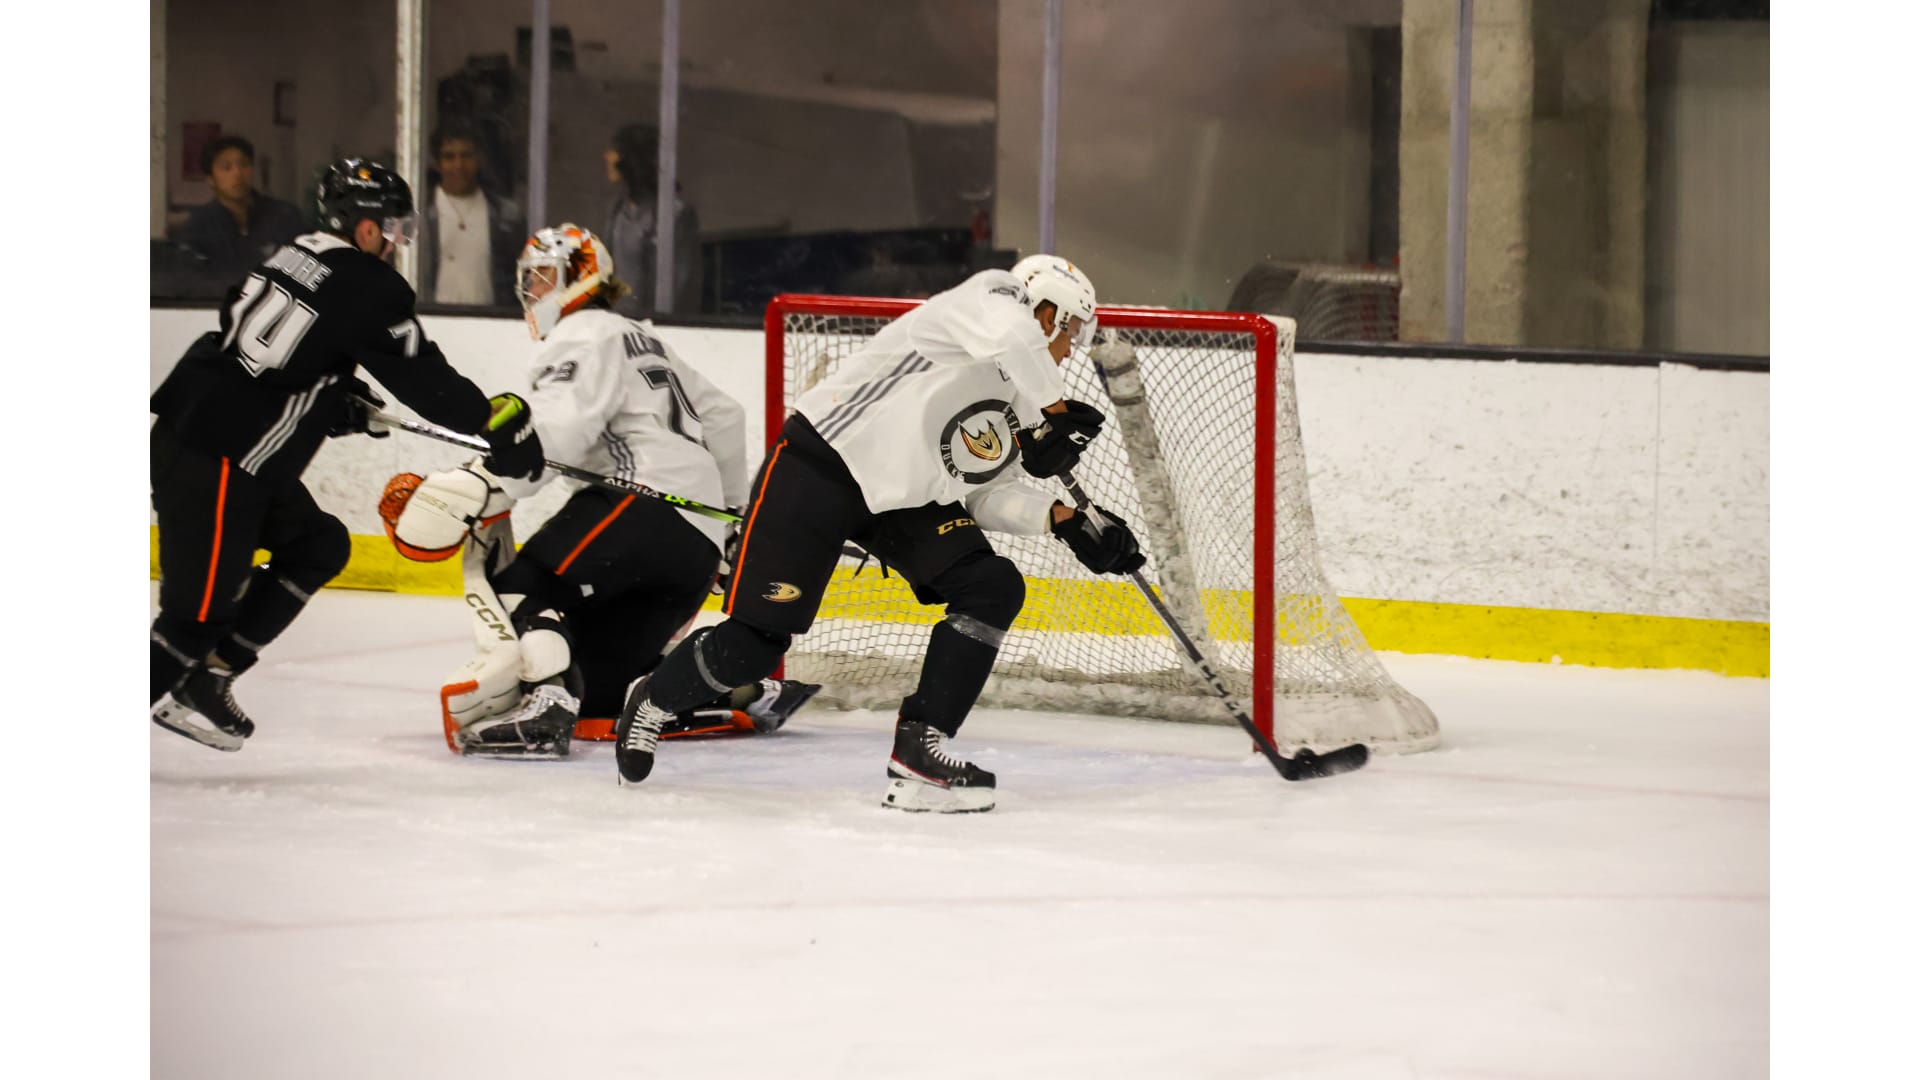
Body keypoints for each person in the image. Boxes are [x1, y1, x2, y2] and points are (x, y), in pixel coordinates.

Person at [614, 259, 1147, 812]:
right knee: (754, 647)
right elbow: (1015, 336)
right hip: (821, 466)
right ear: (1047, 310)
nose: (1071, 349)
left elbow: (986, 492)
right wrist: (1055, 412)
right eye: (1073, 331)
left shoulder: (1019, 397)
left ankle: (920, 750)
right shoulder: (994, 296)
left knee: (991, 585)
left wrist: (1062, 518)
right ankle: (652, 699)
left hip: (902, 503)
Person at [149, 159, 547, 752]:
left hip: (206, 433)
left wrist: (330, 395)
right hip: (222, 460)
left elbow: (247, 330)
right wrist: (494, 425)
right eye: (392, 227)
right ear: (363, 227)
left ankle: (211, 677)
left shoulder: (295, 252)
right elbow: (423, 379)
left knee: (319, 545)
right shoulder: (368, 281)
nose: (396, 241)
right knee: (192, 619)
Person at [380, 224, 818, 757]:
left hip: (641, 504)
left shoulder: (582, 330)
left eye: (543, 277)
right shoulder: (645, 338)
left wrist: (481, 484)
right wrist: (727, 521)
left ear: (581, 277)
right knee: (601, 700)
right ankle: (742, 690)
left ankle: (545, 703)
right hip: (694, 544)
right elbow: (727, 417)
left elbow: (556, 439)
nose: (533, 292)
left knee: (520, 583)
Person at [177, 134, 307, 294]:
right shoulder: (198, 227)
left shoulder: (285, 216)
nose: (238, 173)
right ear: (211, 179)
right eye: (226, 167)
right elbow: (192, 282)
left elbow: (305, 268)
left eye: (244, 164)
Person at [417, 122, 527, 306]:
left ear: (479, 159)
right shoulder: (420, 214)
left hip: (489, 324)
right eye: (449, 157)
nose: (458, 165)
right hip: (432, 322)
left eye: (466, 156)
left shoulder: (506, 215)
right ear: (437, 163)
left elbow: (520, 278)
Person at [604, 123, 701, 314]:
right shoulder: (617, 211)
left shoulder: (675, 215)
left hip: (653, 328)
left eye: (614, 151)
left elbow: (679, 288)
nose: (607, 156)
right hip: (617, 324)